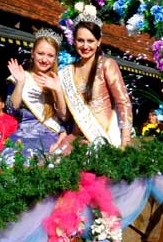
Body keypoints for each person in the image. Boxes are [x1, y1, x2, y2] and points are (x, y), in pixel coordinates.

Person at [52, 14, 132, 153]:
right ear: (74, 41)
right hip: (76, 138)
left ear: (99, 41)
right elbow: (65, 116)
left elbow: (123, 102)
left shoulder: (106, 65)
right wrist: (57, 91)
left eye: (90, 41)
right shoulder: (67, 72)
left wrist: (125, 141)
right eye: (80, 40)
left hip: (104, 136)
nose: (85, 46)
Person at [3, 29, 67, 158]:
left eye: (50, 55)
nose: (44, 59)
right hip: (23, 137)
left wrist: (58, 90)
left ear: (55, 58)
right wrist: (20, 82)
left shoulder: (60, 80)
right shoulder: (21, 76)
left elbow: (64, 117)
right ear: (32, 53)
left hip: (50, 138)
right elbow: (11, 110)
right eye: (40, 53)